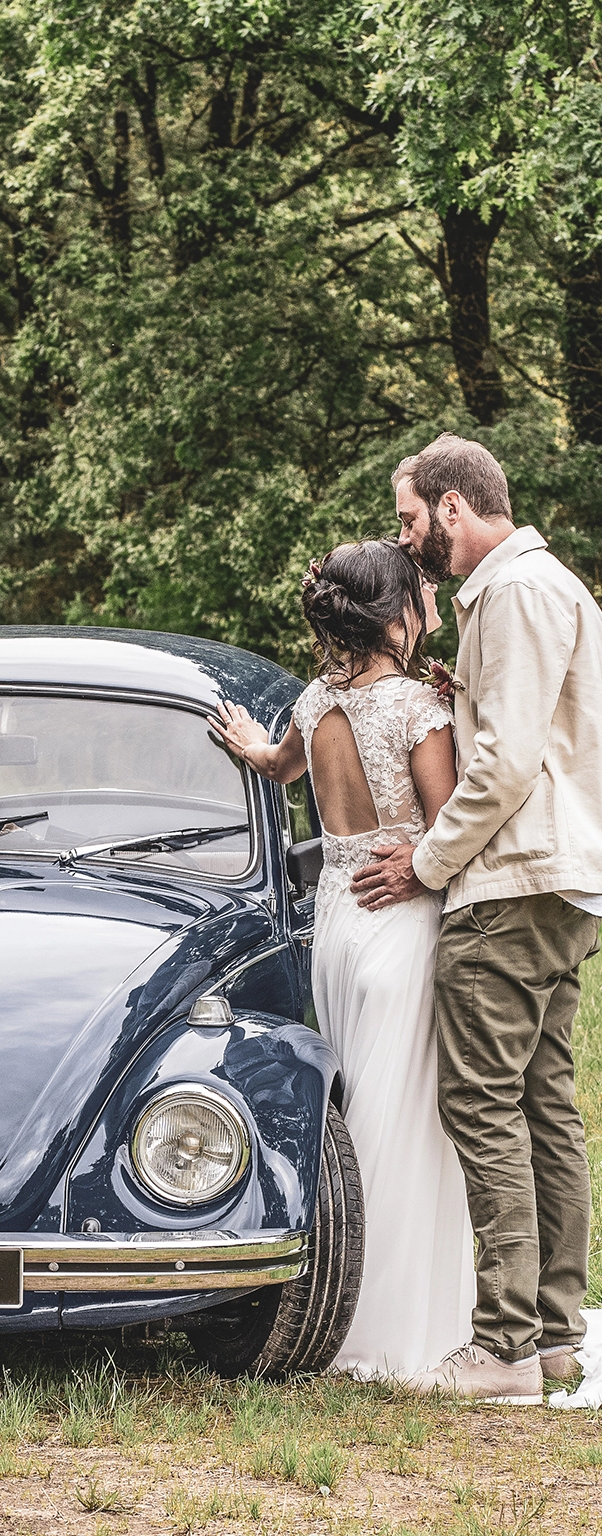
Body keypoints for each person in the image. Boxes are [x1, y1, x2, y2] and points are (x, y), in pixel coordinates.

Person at [352, 433, 602, 1405]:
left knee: (483, 1103)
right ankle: (550, 1338)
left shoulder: (513, 592)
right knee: (542, 1104)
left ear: (454, 508)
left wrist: (423, 861)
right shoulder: (544, 590)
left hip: (510, 884)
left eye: (412, 518)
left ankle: (497, 1341)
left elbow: (501, 768)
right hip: (560, 881)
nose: (409, 538)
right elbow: (537, 734)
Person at [208, 539, 476, 1381]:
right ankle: (400, 1323)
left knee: (356, 1113)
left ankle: (334, 1303)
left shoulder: (312, 698)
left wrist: (250, 741)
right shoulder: (414, 710)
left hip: (334, 923)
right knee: (408, 1124)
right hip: (398, 920)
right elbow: (449, 827)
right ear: (395, 614)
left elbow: (276, 767)